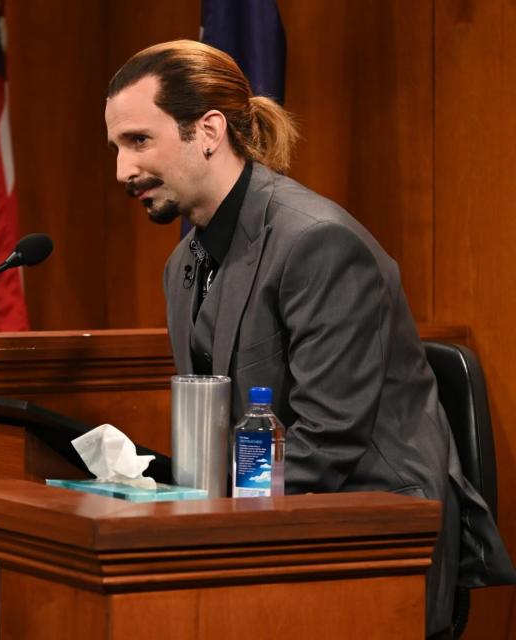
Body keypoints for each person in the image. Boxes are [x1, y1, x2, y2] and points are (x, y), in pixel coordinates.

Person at [104, 40, 515, 637]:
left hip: (371, 539)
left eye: (139, 141)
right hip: (270, 520)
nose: (122, 170)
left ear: (209, 130)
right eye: (116, 146)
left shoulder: (317, 242)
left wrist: (207, 528)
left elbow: (327, 441)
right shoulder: (185, 263)